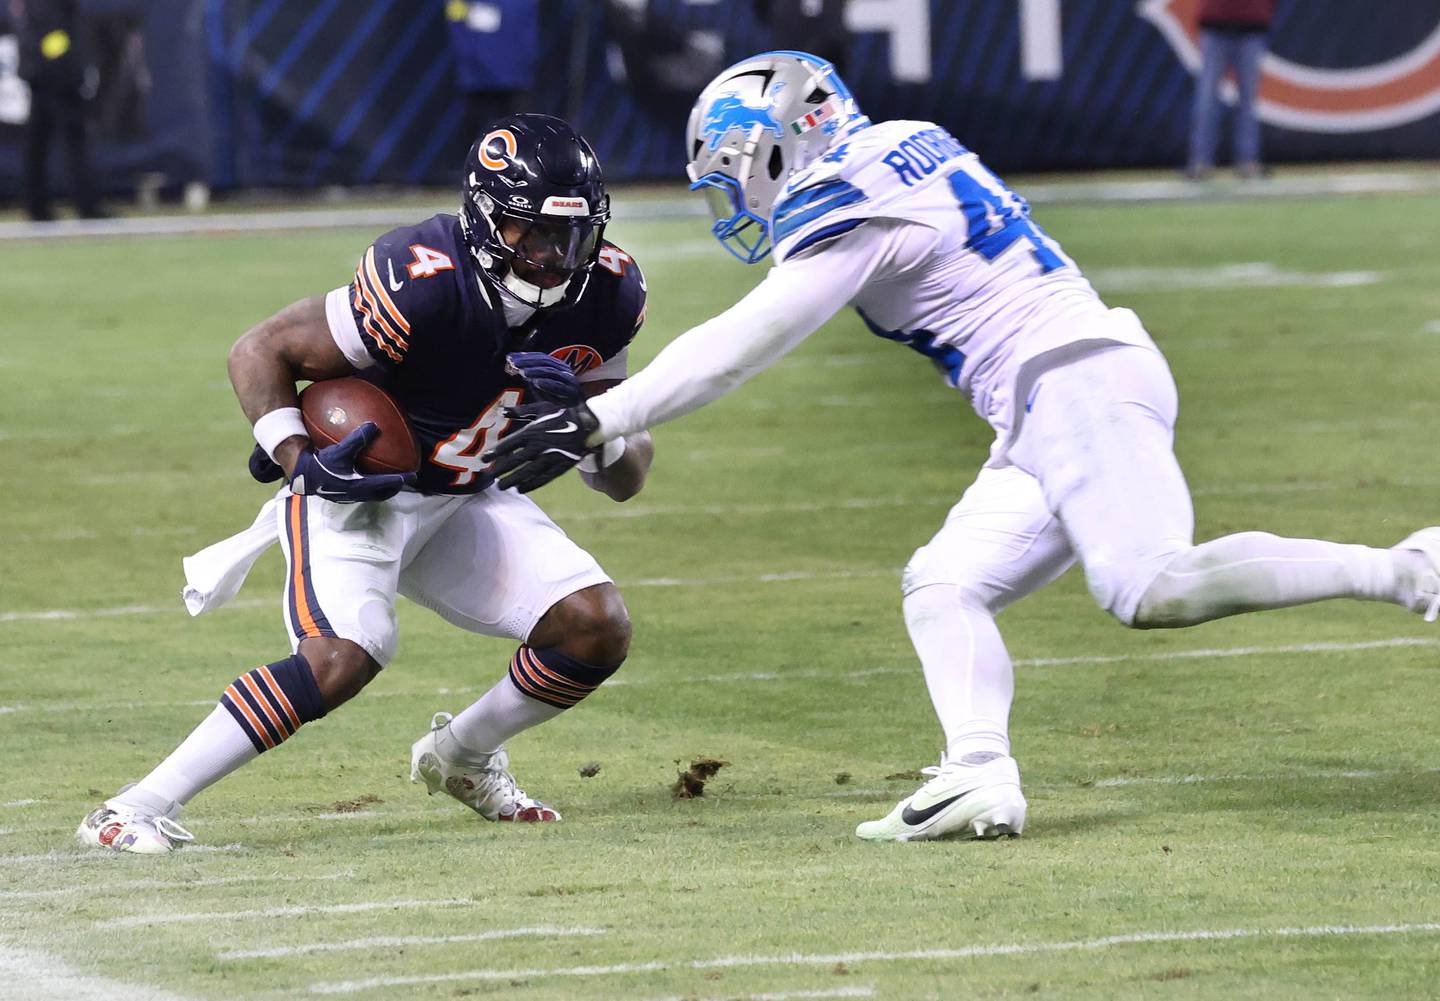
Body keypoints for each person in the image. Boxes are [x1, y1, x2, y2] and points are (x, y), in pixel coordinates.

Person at [487, 51, 1440, 843]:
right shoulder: (906, 144)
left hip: (1070, 381)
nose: (734, 192)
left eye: (736, 166)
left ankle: (1409, 568)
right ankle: (978, 770)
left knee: (1150, 585)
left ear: (779, 142)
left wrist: (605, 416)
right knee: (945, 583)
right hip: (1059, 387)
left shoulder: (845, 191)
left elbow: (749, 339)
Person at [77, 114, 654, 854]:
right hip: (361, 490)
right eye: (530, 231)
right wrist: (295, 455)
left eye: (569, 237)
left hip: (467, 490)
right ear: (483, 218)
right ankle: (129, 808)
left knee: (594, 623)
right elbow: (262, 348)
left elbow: (627, 478)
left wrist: (588, 425)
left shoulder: (607, 294)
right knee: (346, 651)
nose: (551, 255)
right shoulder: (424, 280)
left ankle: (462, 757)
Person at [11, 0, 106, 220]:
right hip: (54, 76)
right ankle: (85, 206)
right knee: (71, 139)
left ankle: (38, 207)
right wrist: (67, 69)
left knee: (39, 142)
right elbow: (52, 32)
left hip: (42, 72)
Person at [1185, 0, 1275, 181]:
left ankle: (1247, 161)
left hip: (1250, 26)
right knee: (1208, 99)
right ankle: (1201, 162)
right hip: (1217, 24)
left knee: (1247, 100)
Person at [444, 0, 538, 148]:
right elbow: (455, 16)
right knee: (473, 140)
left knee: (520, 139)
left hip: (513, 78)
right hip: (476, 79)